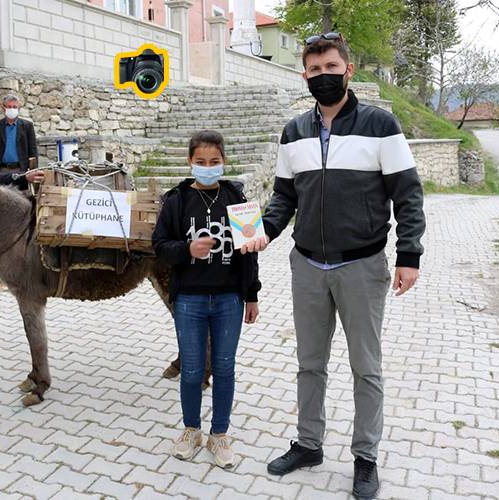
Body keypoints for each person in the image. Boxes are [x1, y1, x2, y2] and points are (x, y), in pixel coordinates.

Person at [242, 33, 425, 498]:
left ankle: (365, 458)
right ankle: (308, 444)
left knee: (366, 367)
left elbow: (407, 194)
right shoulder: (294, 132)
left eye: (331, 68)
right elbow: (284, 196)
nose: (323, 76)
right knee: (310, 364)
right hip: (306, 267)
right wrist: (264, 230)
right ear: (304, 75)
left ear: (348, 70)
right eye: (315, 70)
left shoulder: (380, 125)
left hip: (361, 266)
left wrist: (410, 255)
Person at [152, 130, 261, 469]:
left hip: (229, 299)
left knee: (225, 368)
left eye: (214, 162)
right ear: (190, 162)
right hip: (190, 300)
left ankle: (220, 435)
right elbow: (159, 247)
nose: (208, 167)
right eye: (201, 162)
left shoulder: (237, 198)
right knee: (193, 370)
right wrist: (187, 249)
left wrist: (252, 295)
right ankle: (191, 430)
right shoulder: (177, 200)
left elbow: (250, 252)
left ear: (223, 162)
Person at [0, 94, 43, 188]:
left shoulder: (27, 126)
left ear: (19, 108)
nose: (12, 109)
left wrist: (33, 171)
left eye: (15, 107)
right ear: (4, 108)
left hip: (21, 170)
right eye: (9, 107)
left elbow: (33, 151)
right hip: (1, 171)